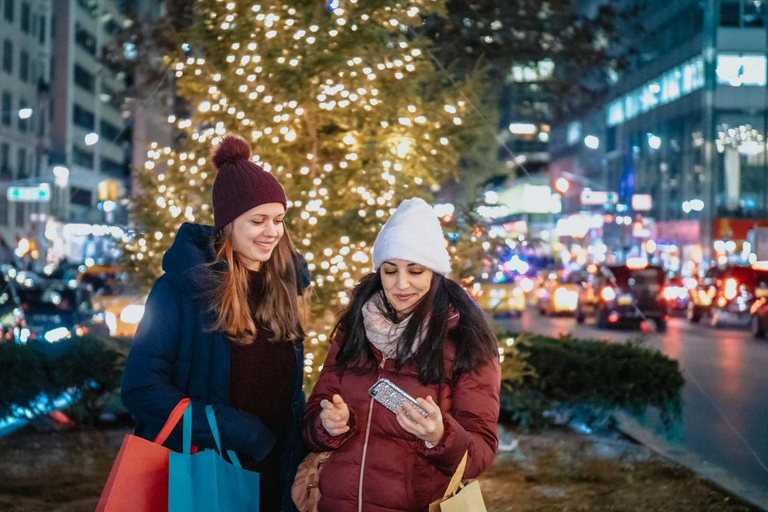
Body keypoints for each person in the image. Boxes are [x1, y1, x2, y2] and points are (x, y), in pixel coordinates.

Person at [122, 135, 310, 512]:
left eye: (278, 220)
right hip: (205, 473)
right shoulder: (180, 288)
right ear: (228, 223)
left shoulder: (286, 287)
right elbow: (141, 387)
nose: (271, 231)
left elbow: (287, 391)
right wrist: (238, 430)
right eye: (257, 220)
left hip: (276, 477)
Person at [302, 198, 501, 512]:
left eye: (415, 270)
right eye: (390, 271)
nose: (401, 284)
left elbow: (481, 452)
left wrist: (440, 435)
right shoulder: (355, 327)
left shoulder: (465, 341)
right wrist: (326, 424)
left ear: (434, 272)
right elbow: (314, 413)